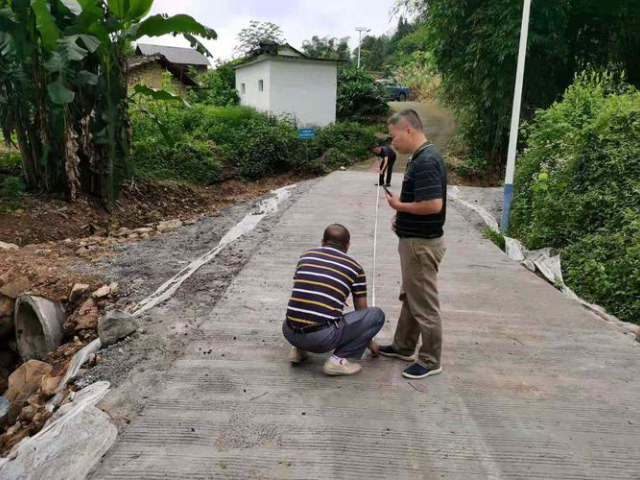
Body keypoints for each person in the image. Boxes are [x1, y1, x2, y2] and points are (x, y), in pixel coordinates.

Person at [380, 109, 447, 380]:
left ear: (408, 130)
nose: (392, 143)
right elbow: (422, 203)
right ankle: (404, 346)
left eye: (394, 136)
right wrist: (402, 217)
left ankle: (431, 360)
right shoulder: (420, 157)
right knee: (411, 297)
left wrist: (399, 206)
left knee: (424, 303)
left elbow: (433, 205)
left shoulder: (427, 161)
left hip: (421, 245)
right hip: (413, 240)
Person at [282, 224, 384, 376]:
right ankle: (338, 360)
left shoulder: (306, 255)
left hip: (289, 331)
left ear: (323, 242)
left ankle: (299, 349)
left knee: (307, 306)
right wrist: (368, 341)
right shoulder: (355, 267)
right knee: (376, 315)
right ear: (347, 245)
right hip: (320, 340)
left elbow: (306, 289)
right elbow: (362, 312)